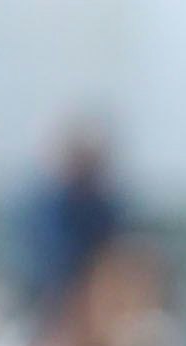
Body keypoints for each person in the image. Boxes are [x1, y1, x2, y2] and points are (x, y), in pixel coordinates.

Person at [10, 122, 125, 325]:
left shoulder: (102, 203)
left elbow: (114, 240)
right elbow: (49, 247)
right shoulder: (52, 202)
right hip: (51, 281)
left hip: (92, 280)